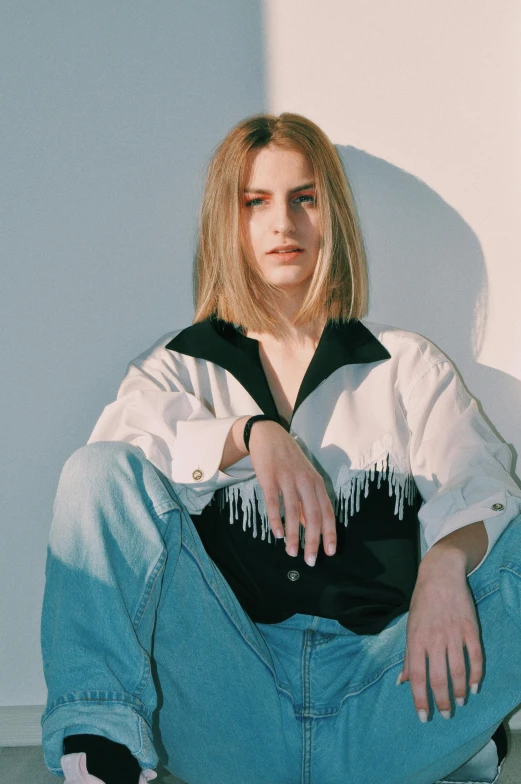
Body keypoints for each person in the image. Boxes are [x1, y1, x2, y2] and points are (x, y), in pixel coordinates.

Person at [41, 112, 521, 784]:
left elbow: (484, 482)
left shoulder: (404, 365)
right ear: (226, 223)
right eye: (254, 203)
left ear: (333, 215)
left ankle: (448, 742)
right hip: (222, 712)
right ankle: (101, 753)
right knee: (97, 471)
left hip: (389, 696)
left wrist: (443, 563)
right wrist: (248, 436)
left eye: (303, 198)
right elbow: (105, 489)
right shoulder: (175, 370)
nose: (282, 224)